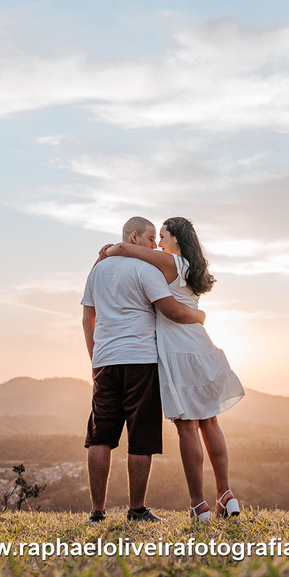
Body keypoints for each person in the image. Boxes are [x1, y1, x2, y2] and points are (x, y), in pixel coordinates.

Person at [100, 216, 245, 521]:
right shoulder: (193, 268)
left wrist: (111, 249)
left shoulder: (169, 263)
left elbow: (130, 250)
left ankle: (198, 504)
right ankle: (226, 494)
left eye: (163, 235)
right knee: (211, 424)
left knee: (187, 428)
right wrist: (201, 315)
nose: (159, 241)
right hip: (201, 348)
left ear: (176, 239)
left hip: (179, 353)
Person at [81, 216, 206, 523]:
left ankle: (97, 512)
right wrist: (199, 315)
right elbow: (170, 310)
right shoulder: (146, 268)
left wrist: (95, 357)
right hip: (140, 359)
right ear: (134, 237)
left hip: (105, 361)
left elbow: (88, 318)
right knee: (141, 436)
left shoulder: (97, 269)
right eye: (151, 239)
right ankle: (136, 510)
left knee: (100, 436)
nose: (154, 245)